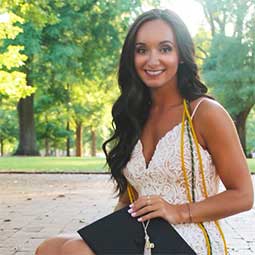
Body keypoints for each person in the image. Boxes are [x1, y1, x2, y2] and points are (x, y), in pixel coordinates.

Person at [35, 8, 254, 255]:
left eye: (165, 49)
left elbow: (243, 195)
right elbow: (130, 198)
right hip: (144, 230)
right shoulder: (134, 115)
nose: (152, 60)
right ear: (132, 57)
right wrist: (107, 234)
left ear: (181, 54)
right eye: (142, 50)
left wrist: (179, 210)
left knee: (76, 250)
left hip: (191, 233)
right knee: (50, 248)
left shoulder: (204, 113)